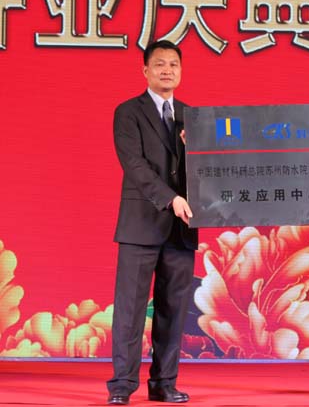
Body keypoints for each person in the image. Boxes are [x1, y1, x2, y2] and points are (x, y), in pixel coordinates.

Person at [106, 40, 199, 405]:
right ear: (145, 70)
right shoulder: (128, 112)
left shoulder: (192, 116)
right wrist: (170, 199)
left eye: (173, 64)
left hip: (182, 228)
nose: (167, 70)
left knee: (173, 310)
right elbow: (135, 166)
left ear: (181, 71)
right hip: (140, 225)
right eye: (159, 64)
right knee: (130, 310)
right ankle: (121, 385)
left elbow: (208, 169)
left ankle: (164, 383)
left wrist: (197, 149)